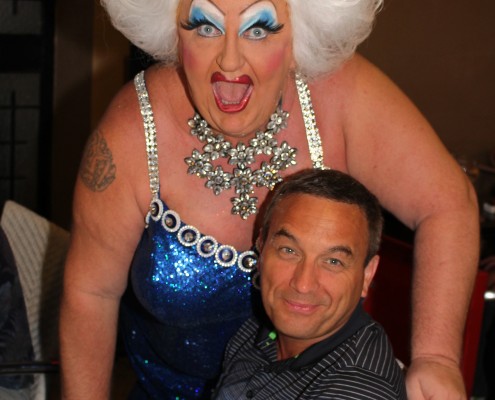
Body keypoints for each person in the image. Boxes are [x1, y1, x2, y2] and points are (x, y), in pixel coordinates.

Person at [59, 0, 479, 399]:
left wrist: (437, 357)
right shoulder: (134, 129)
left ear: (300, 35)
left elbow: (446, 203)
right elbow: (90, 294)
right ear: (174, 32)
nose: (229, 61)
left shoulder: (341, 93)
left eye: (258, 29)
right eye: (205, 26)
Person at [214, 169, 407, 399]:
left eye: (333, 261)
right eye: (288, 251)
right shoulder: (258, 327)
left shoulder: (358, 390)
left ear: (367, 275)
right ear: (261, 248)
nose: (303, 284)